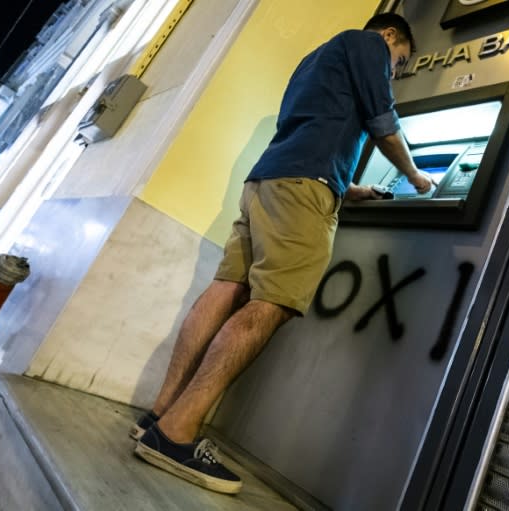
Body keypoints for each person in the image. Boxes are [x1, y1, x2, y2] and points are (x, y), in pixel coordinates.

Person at [131, 13, 432, 494]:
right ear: (392, 36)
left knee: (226, 287)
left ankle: (159, 414)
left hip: (265, 182)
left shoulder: (314, 60)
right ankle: (176, 434)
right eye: (401, 61)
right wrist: (416, 176)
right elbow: (382, 121)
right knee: (272, 302)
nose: (395, 70)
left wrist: (351, 188)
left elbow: (314, 130)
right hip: (303, 191)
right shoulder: (367, 44)